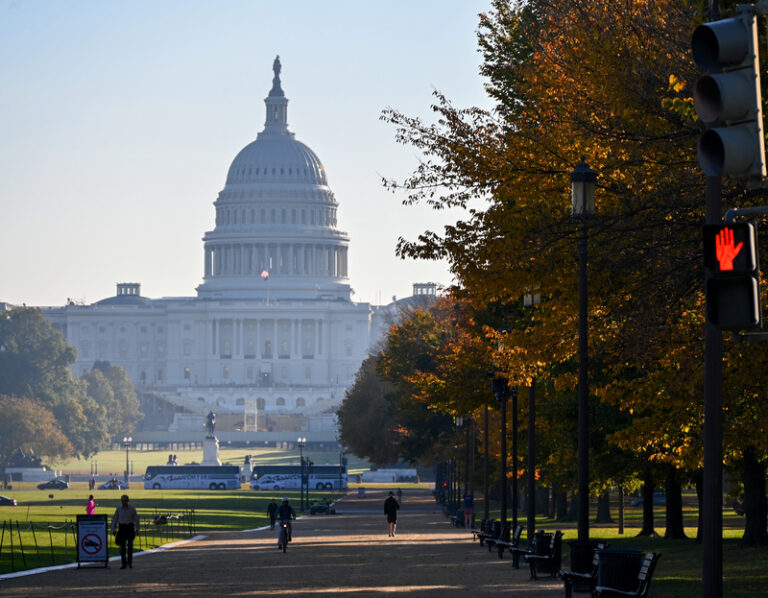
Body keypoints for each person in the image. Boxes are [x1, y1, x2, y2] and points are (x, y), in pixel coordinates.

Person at [111, 494, 140, 569]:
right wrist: (113, 529)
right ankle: (124, 563)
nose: (124, 503)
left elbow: (136, 519)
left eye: (125, 501)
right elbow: (115, 519)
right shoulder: (119, 509)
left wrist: (137, 529)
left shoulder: (132, 508)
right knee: (122, 548)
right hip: (122, 528)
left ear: (128, 501)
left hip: (130, 528)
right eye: (123, 501)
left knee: (130, 546)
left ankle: (129, 563)